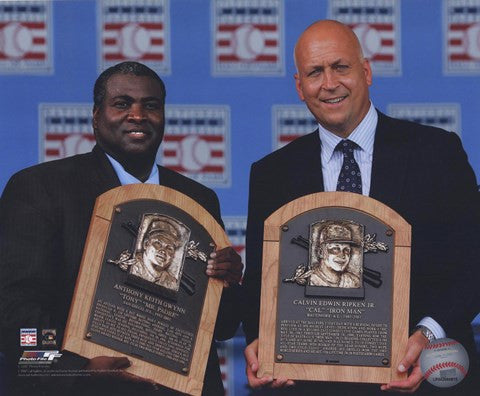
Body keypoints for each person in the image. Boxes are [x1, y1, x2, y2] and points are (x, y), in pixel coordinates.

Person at [243, 20, 480, 395]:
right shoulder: (271, 174)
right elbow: (260, 281)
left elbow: (473, 261)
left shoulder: (437, 152)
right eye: (314, 73)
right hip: (314, 384)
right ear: (299, 87)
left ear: (366, 72)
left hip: (421, 377)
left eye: (341, 67)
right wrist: (262, 342)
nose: (329, 83)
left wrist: (427, 333)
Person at [0, 61, 243, 396]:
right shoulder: (40, 188)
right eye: (122, 104)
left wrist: (228, 282)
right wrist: (78, 370)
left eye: (151, 106)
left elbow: (224, 327)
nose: (138, 115)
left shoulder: (198, 200)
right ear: (96, 117)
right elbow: (12, 318)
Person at [131, 217, 183, 290]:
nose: (163, 251)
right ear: (146, 244)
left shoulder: (171, 283)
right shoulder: (131, 265)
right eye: (158, 243)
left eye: (169, 248)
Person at [309, 223, 361, 288]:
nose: (342, 256)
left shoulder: (353, 281)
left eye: (346, 250)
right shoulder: (310, 280)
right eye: (335, 249)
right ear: (321, 252)